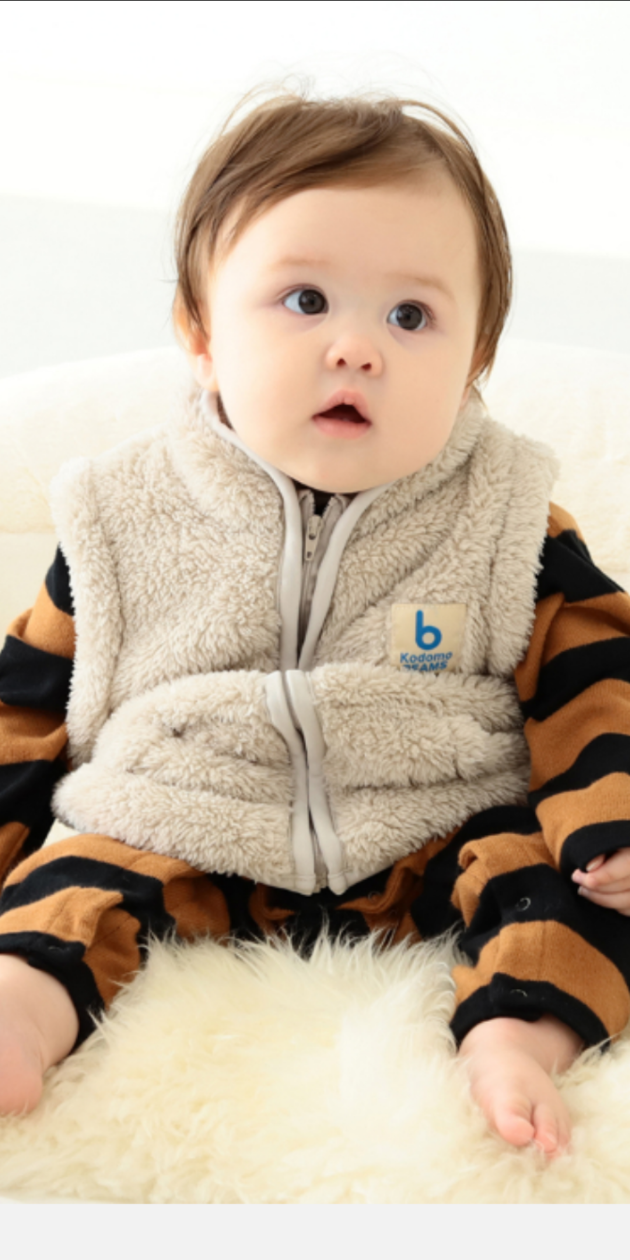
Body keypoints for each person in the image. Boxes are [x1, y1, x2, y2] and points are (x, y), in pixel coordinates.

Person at [1, 90, 630, 1156]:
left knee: (559, 901)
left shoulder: (506, 520)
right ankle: (21, 1017)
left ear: (475, 361)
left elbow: (598, 681)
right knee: (67, 894)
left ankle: (517, 1038)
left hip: (433, 826)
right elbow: (22, 708)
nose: (357, 348)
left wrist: (610, 825)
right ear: (201, 334)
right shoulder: (121, 516)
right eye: (305, 300)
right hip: (184, 816)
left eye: (411, 317)